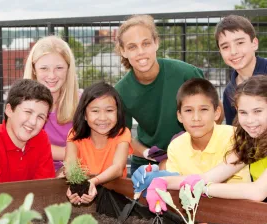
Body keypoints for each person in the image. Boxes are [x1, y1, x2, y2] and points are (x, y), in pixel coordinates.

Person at [146, 75, 267, 213]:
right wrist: (162, 181)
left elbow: (257, 191)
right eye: (243, 112)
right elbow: (209, 177)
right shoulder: (250, 142)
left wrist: (203, 189)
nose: (250, 120)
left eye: (258, 111)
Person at [114, 14, 204, 174]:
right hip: (147, 163)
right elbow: (122, 137)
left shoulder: (186, 73)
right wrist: (148, 153)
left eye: (146, 43)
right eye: (132, 47)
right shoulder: (121, 91)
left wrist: (189, 141)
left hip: (192, 158)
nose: (141, 52)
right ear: (123, 51)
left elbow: (215, 114)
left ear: (156, 43)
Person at [0, 79, 55, 183]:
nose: (33, 122)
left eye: (40, 117)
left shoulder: (41, 138)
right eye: (28, 112)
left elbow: (44, 186)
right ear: (9, 110)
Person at [165, 78, 250, 182]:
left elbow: (237, 190)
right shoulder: (175, 147)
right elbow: (173, 187)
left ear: (216, 113)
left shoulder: (234, 137)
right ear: (179, 116)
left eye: (204, 109)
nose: (196, 118)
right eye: (188, 110)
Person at [66, 82, 133, 205]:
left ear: (117, 112)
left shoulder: (122, 133)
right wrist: (76, 187)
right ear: (85, 115)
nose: (102, 118)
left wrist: (93, 182)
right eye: (95, 111)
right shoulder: (75, 134)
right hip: (86, 191)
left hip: (116, 197)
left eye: (109, 110)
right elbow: (70, 165)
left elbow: (118, 168)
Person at [24, 36, 79, 173]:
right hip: (35, 177)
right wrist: (70, 155)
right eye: (44, 68)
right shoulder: (20, 103)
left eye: (59, 68)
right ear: (34, 70)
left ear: (68, 69)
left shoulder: (82, 101)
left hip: (76, 174)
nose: (52, 76)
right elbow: (23, 144)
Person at [215, 15, 267, 125]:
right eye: (225, 47)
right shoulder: (229, 92)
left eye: (240, 43)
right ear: (220, 52)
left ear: (254, 43)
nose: (233, 51)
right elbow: (235, 132)